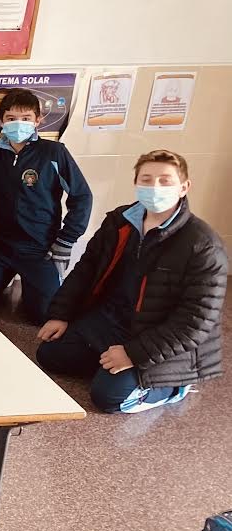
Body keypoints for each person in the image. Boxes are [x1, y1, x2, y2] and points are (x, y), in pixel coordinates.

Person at [36, 150, 226, 413]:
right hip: (113, 321)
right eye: (146, 180)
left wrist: (134, 354)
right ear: (136, 183)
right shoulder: (119, 221)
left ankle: (175, 386)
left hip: (163, 338)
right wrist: (61, 314)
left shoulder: (203, 245)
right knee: (49, 354)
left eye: (165, 180)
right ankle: (112, 366)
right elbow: (86, 268)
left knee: (108, 398)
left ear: (184, 187)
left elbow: (196, 322)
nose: (155, 187)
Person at [0, 88, 92, 324]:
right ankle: (2, 278)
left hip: (39, 249)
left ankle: (33, 287)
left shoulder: (54, 152)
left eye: (26, 118)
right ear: (1, 122)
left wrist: (66, 240)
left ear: (37, 121)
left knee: (44, 314)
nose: (18, 123)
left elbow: (82, 196)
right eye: (11, 118)